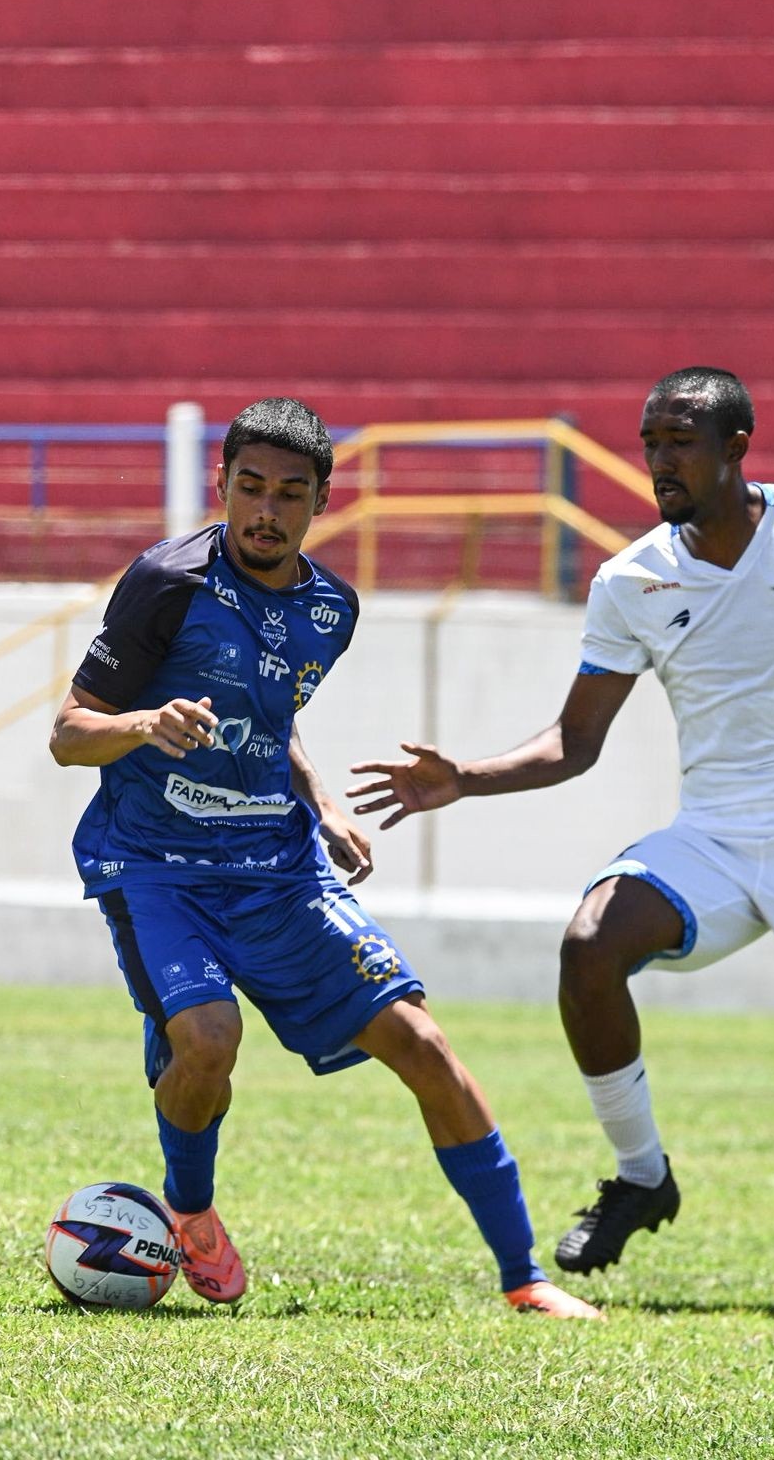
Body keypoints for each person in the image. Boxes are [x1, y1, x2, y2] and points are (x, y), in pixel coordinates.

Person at [349, 366, 774, 1316]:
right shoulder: (631, 580)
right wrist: (466, 778)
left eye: (680, 442)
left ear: (736, 447)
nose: (660, 461)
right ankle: (642, 1177)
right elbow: (575, 742)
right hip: (715, 837)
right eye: (650, 443)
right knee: (588, 947)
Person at [48, 397, 600, 1320]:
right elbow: (69, 733)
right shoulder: (166, 582)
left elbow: (272, 719)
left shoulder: (331, 609)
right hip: (157, 865)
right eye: (250, 487)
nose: (266, 511)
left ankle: (525, 1278)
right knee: (208, 1043)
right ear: (222, 485)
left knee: (424, 1045)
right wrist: (144, 723)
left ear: (321, 500)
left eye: (289, 494)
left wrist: (324, 805)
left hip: (280, 867)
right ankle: (189, 1210)